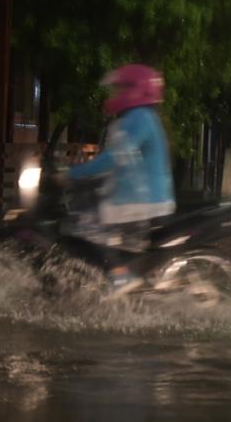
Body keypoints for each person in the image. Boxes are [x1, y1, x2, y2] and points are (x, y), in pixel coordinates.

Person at [56, 64, 175, 294]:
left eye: (119, 89)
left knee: (85, 225)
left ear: (135, 90)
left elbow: (113, 158)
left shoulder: (139, 118)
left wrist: (70, 175)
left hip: (142, 201)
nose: (115, 95)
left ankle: (120, 276)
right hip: (141, 197)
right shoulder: (140, 117)